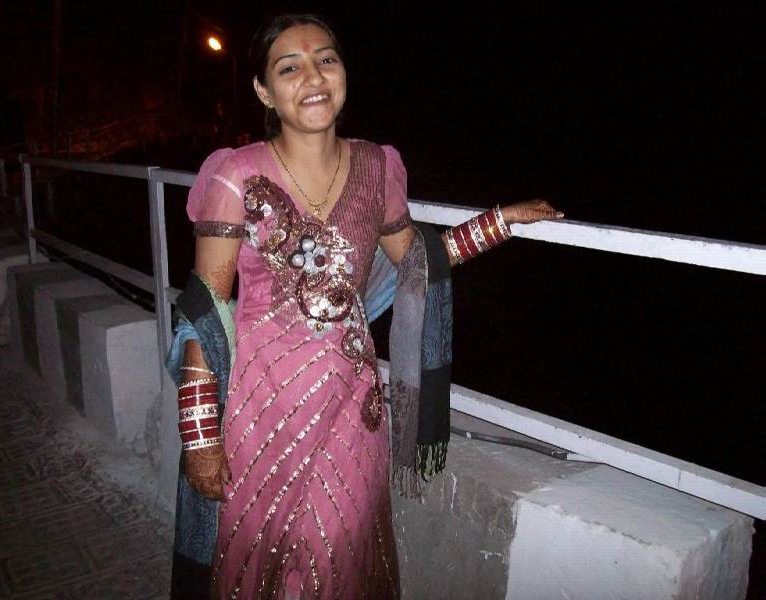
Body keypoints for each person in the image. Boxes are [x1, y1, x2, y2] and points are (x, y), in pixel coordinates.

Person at [171, 13, 563, 600]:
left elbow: (416, 262)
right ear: (264, 91)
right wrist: (201, 434)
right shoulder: (237, 174)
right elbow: (206, 310)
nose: (313, 77)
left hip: (354, 409)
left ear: (344, 72)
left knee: (341, 554)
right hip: (261, 409)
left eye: (326, 60)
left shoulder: (377, 167)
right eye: (290, 68)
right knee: (255, 558)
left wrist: (498, 222)